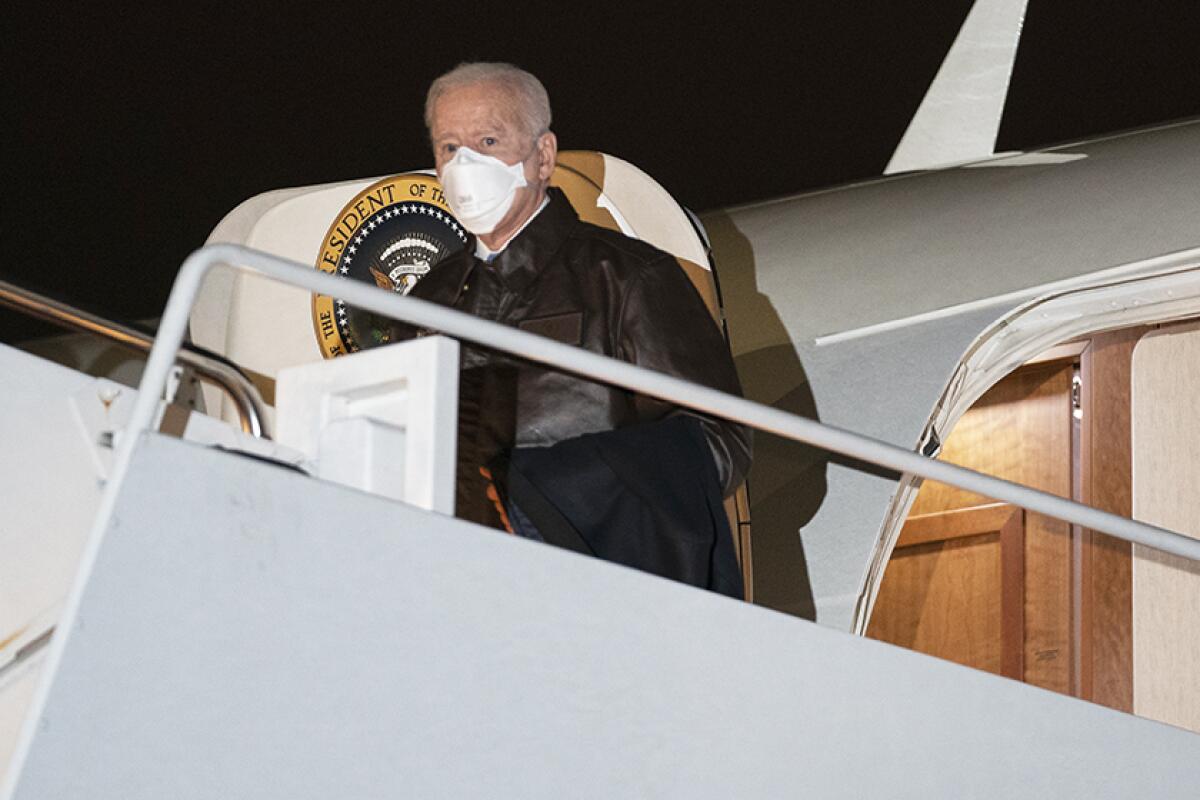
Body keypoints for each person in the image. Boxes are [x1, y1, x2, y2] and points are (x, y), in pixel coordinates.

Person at [405, 62, 751, 594]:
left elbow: (721, 440)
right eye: (449, 147)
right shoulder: (425, 303)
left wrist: (557, 489)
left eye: (488, 140)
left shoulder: (626, 277)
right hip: (456, 580)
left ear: (542, 156)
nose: (464, 163)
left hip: (597, 578)